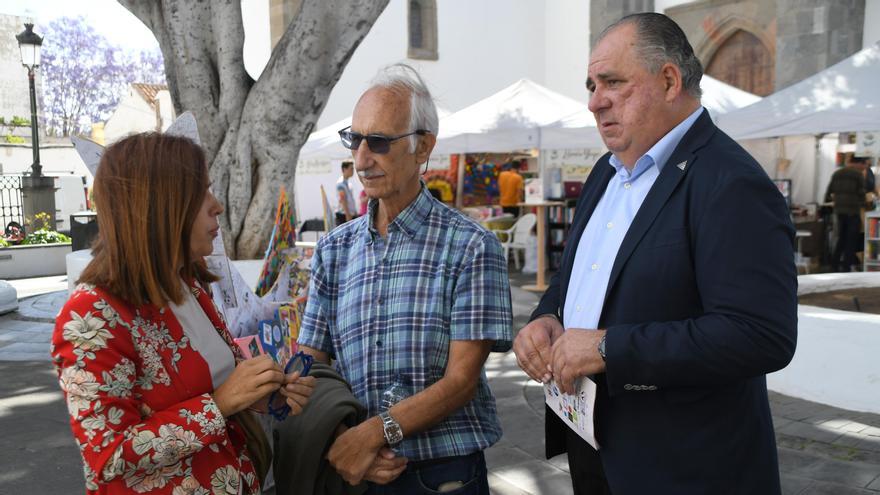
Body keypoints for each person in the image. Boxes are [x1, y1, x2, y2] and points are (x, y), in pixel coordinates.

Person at [512, 13, 797, 494]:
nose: (594, 101)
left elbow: (760, 334)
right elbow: (582, 274)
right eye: (590, 85)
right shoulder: (607, 170)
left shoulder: (731, 182)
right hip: (596, 444)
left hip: (685, 465)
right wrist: (548, 315)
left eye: (613, 82)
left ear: (669, 80)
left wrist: (606, 347)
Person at [52, 133, 315, 494]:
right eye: (201, 192)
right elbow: (108, 454)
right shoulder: (90, 316)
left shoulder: (187, 283)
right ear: (158, 205)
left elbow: (214, 383)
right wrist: (221, 404)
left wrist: (262, 393)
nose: (217, 205)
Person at [296, 64, 512, 494]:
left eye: (378, 142)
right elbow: (310, 362)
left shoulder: (471, 246)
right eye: (354, 139)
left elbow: (461, 381)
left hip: (442, 474)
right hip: (357, 471)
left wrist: (373, 434)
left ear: (422, 147)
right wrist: (336, 434)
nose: (361, 158)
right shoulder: (334, 250)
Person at [825, 155, 868, 272]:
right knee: (851, 240)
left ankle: (834, 264)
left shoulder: (837, 173)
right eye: (864, 165)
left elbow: (829, 192)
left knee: (841, 238)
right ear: (859, 163)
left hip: (839, 211)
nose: (865, 168)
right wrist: (864, 203)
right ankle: (846, 267)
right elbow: (862, 193)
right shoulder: (858, 174)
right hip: (853, 211)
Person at [336, 160, 358, 225]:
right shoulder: (340, 183)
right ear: (344, 169)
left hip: (349, 214)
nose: (353, 171)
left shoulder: (348, 183)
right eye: (351, 168)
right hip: (344, 215)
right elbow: (343, 199)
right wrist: (347, 215)